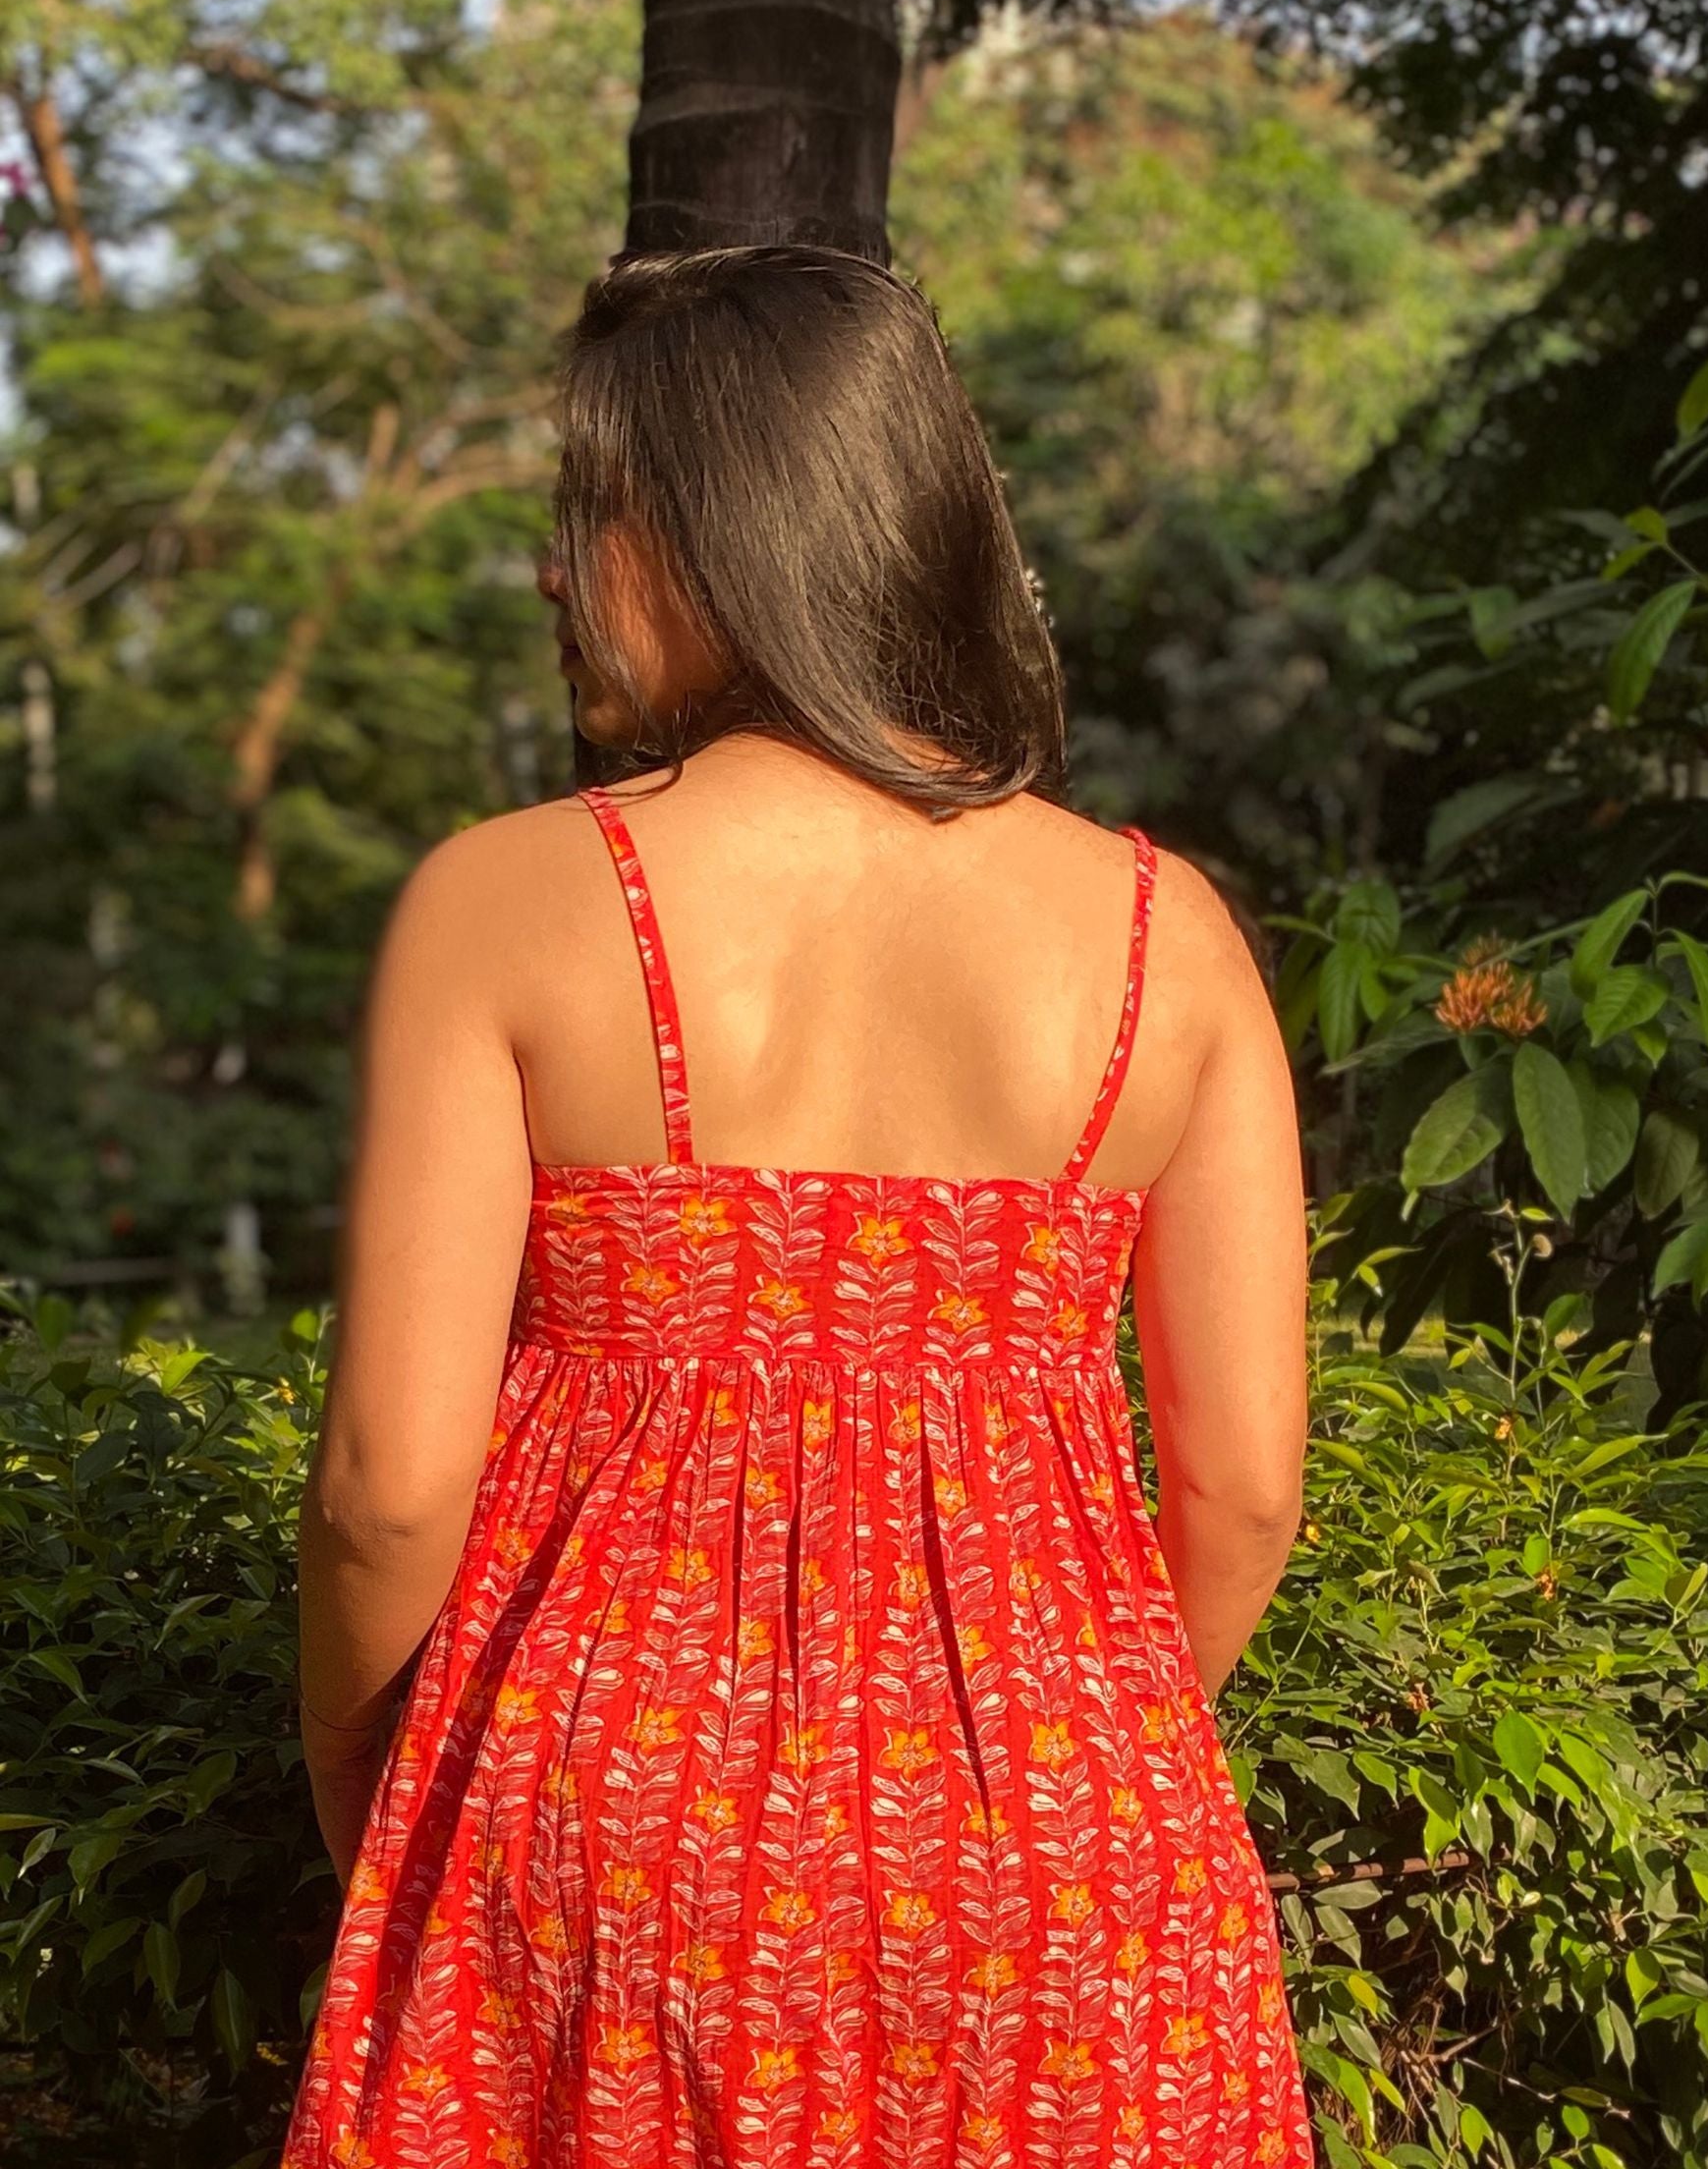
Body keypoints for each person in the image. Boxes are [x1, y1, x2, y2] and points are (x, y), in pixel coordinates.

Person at [283, 245, 1314, 2168]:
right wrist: (1071, 1751)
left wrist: (371, 1786)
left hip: (604, 1834)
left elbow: (386, 1489)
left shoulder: (506, 902)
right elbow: (1244, 1489)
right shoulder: (1175, 942)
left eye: (588, 514)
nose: (554, 573)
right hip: (1069, 1846)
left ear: (717, 528)